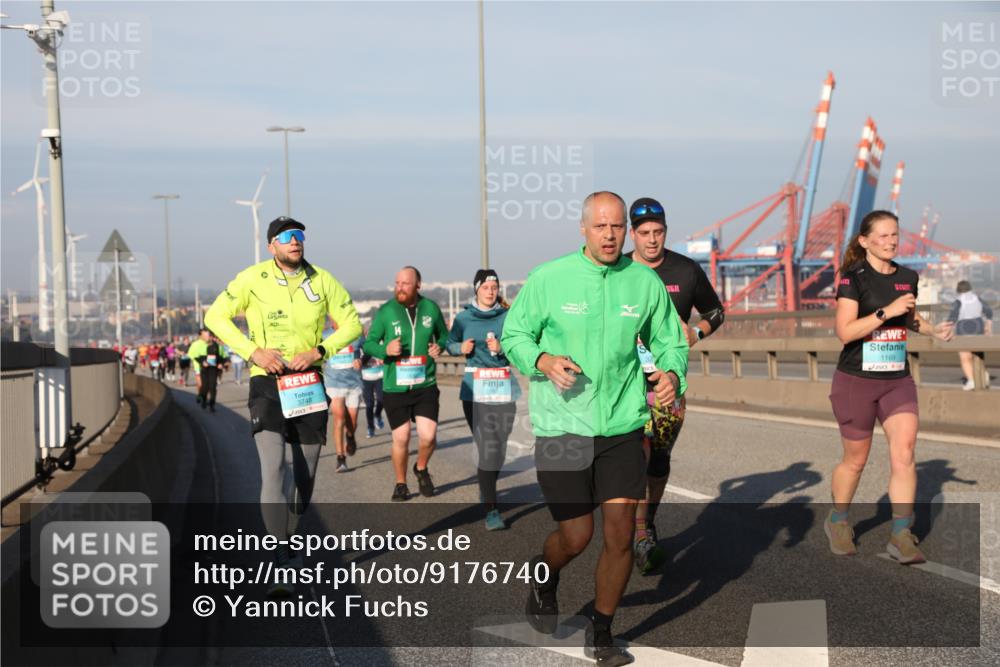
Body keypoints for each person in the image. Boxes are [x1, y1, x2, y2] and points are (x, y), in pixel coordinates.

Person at [501, 191, 689, 666]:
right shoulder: (550, 278)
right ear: (583, 229)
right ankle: (545, 572)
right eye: (601, 227)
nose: (610, 235)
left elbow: (671, 340)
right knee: (576, 535)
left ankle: (602, 631)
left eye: (618, 227)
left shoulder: (643, 282)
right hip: (563, 426)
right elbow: (514, 335)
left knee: (621, 532)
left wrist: (671, 375)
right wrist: (541, 359)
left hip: (623, 425)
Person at [205, 216, 361, 595]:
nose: (297, 242)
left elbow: (353, 323)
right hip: (267, 382)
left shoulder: (321, 279)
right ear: (271, 245)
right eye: (288, 237)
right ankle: (280, 557)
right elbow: (215, 317)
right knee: (273, 468)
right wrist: (252, 350)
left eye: (301, 236)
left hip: (307, 383)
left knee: (304, 480)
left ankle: (290, 541)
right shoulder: (252, 278)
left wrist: (320, 350)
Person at [827, 210, 953, 565]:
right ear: (864, 241)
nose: (890, 241)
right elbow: (845, 331)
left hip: (897, 379)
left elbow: (909, 317)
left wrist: (932, 330)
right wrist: (885, 311)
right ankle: (837, 520)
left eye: (894, 235)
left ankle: (901, 533)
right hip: (856, 381)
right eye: (882, 236)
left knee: (905, 451)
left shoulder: (907, 276)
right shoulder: (853, 279)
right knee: (856, 460)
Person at [626, 197, 725, 573]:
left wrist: (696, 332)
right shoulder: (617, 270)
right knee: (637, 455)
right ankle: (638, 534)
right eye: (645, 233)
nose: (652, 240)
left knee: (658, 461)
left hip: (669, 381)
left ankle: (645, 522)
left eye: (659, 232)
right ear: (632, 234)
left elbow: (716, 311)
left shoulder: (685, 270)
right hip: (626, 385)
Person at [362, 266, 449, 502]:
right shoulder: (386, 311)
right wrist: (384, 350)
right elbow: (369, 344)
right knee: (401, 438)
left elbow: (444, 335)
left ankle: (421, 468)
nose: (400, 288)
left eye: (405, 284)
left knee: (428, 437)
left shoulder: (430, 308)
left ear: (418, 285)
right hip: (395, 387)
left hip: (425, 384)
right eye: (397, 283)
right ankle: (401, 483)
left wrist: (438, 346)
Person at [446, 269, 520, 531]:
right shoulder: (464, 318)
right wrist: (459, 349)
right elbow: (449, 342)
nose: (491, 291)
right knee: (488, 446)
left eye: (495, 287)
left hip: (503, 387)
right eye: (486, 287)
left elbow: (518, 346)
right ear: (476, 289)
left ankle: (486, 486)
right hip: (474, 390)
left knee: (498, 448)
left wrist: (503, 349)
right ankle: (491, 509)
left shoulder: (508, 317)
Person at [322, 325, 364, 472]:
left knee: (352, 421)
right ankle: (341, 458)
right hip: (334, 382)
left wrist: (361, 360)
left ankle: (350, 435)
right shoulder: (325, 334)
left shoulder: (357, 333)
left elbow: (368, 350)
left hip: (354, 383)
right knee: (339, 419)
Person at [947, 280, 993, 390]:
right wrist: (988, 325)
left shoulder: (958, 301)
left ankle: (972, 381)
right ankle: (984, 375)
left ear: (958, 290)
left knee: (964, 356)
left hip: (964, 327)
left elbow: (952, 317)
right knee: (977, 354)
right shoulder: (977, 298)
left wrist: (948, 330)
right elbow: (989, 312)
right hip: (978, 326)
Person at [360, 324, 386, 438]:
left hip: (379, 376)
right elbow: (360, 362)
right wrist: (368, 354)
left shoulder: (381, 344)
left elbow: (386, 356)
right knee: (369, 404)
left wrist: (383, 359)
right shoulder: (362, 345)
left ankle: (378, 415)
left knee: (382, 399)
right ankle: (370, 428)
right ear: (365, 334)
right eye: (368, 333)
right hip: (366, 378)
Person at [194, 332, 222, 412]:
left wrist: (220, 363)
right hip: (204, 369)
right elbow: (196, 356)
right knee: (205, 387)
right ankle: (203, 400)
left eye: (210, 336)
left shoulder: (216, 345)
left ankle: (212, 404)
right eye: (207, 336)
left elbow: (219, 356)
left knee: (213, 387)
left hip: (213, 369)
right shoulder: (200, 345)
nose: (209, 338)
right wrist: (202, 361)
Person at [186, 329, 211, 404]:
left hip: (209, 367)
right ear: (200, 336)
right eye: (205, 335)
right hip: (199, 368)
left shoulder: (210, 344)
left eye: (208, 335)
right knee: (200, 384)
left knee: (209, 385)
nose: (207, 337)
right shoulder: (195, 344)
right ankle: (200, 395)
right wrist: (200, 361)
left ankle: (205, 398)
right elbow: (190, 354)